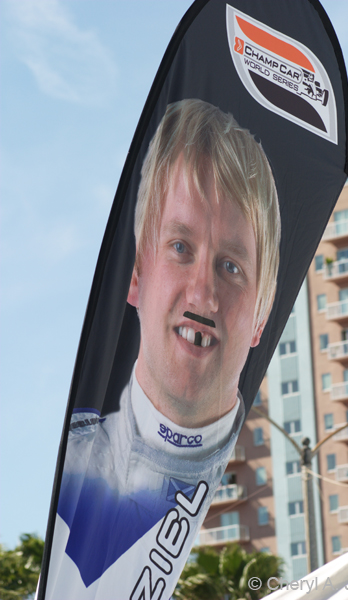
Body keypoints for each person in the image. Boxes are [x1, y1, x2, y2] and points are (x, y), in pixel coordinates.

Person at [44, 99, 281, 600]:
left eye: (230, 266)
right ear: (136, 275)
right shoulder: (61, 463)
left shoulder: (260, 506)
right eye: (180, 247)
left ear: (261, 317)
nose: (202, 295)